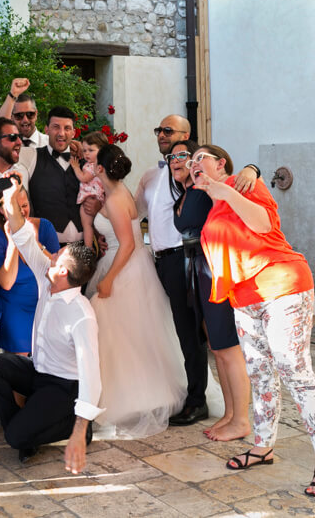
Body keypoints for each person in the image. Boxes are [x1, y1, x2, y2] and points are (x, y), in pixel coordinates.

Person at [191, 144, 315, 497]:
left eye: (202, 158)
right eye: (191, 159)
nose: (195, 163)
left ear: (221, 164)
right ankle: (263, 446)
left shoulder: (244, 184)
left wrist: (231, 186)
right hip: (245, 300)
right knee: (260, 375)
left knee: (296, 374)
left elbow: (262, 223)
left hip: (282, 287)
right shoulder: (212, 206)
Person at [136, 114, 258, 426]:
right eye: (159, 131)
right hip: (162, 261)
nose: (162, 136)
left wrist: (252, 168)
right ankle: (219, 407)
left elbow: (233, 180)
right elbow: (138, 211)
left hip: (191, 261)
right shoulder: (158, 178)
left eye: (170, 132)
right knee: (184, 332)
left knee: (200, 336)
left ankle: (201, 402)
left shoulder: (204, 185)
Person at [0, 178, 100, 469]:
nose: (51, 254)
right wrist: (11, 197)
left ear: (63, 272)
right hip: (38, 371)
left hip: (63, 387)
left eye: (57, 256)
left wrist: (80, 429)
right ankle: (22, 428)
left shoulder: (81, 315)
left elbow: (92, 376)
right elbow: (23, 237)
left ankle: (59, 427)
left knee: (15, 437)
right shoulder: (48, 275)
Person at [83, 145, 187, 437]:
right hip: (130, 263)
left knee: (119, 333)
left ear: (100, 168)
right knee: (132, 333)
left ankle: (129, 399)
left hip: (124, 268)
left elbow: (127, 243)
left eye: (92, 161)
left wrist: (108, 279)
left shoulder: (116, 198)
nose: (88, 164)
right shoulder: (117, 192)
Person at [169, 140, 251, 442]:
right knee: (217, 347)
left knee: (228, 346)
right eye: (175, 158)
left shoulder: (212, 189)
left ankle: (241, 419)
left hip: (215, 268)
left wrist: (252, 169)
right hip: (198, 270)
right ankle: (230, 414)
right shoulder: (190, 192)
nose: (184, 162)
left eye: (190, 157)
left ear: (218, 163)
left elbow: (240, 184)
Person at [0, 184, 60, 355]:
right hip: (13, 306)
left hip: (44, 301)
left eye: (24, 206)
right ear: (1, 209)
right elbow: (6, 283)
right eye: (15, 208)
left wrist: (34, 242)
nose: (21, 212)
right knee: (21, 361)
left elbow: (57, 270)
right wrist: (13, 242)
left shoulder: (45, 227)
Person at [20, 106, 98, 246]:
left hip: (85, 246)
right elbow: (3, 140)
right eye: (56, 127)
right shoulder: (32, 156)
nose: (61, 133)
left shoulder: (87, 162)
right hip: (47, 248)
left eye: (67, 128)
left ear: (74, 133)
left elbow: (107, 193)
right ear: (46, 130)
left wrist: (99, 206)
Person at [70, 131, 108, 249]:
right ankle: (98, 244)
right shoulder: (102, 165)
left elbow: (84, 178)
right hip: (99, 198)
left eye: (91, 150)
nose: (86, 153)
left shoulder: (93, 166)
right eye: (85, 150)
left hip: (89, 197)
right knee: (97, 226)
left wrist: (76, 168)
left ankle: (88, 248)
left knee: (87, 225)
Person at [0, 78, 49, 148]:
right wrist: (12, 94)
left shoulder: (50, 143)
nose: (25, 120)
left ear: (36, 114)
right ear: (12, 117)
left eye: (30, 114)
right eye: (19, 115)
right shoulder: (8, 143)